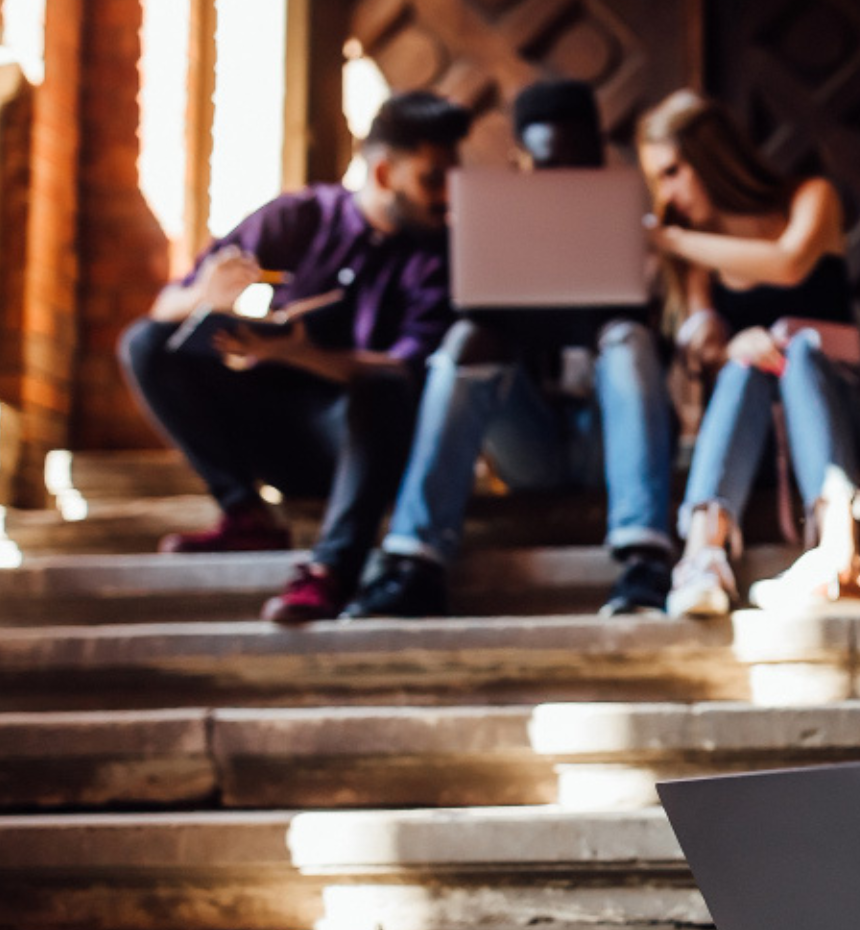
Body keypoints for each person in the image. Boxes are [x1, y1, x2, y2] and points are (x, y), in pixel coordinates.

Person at [118, 91, 469, 623]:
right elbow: (166, 305)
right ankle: (244, 513)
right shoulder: (298, 217)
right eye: (432, 179)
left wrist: (303, 354)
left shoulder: (441, 255)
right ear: (381, 175)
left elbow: (407, 370)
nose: (447, 197)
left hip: (368, 447)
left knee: (381, 387)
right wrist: (205, 299)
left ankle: (331, 571)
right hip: (273, 427)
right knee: (146, 343)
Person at [343, 79, 676, 619]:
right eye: (548, 168)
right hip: (531, 444)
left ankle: (645, 561)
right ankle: (415, 563)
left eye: (575, 168)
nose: (561, 182)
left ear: (598, 159)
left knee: (627, 338)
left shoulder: (647, 236)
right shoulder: (485, 232)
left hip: (608, 442)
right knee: (465, 339)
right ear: (524, 163)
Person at [636, 89, 860, 618]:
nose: (667, 194)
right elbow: (711, 349)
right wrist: (731, 344)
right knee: (747, 364)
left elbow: (788, 263)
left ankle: (842, 556)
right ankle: (703, 554)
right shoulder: (699, 252)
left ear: (713, 158)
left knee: (802, 352)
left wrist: (670, 242)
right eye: (658, 179)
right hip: (754, 442)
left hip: (835, 422)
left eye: (673, 171)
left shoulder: (811, 198)